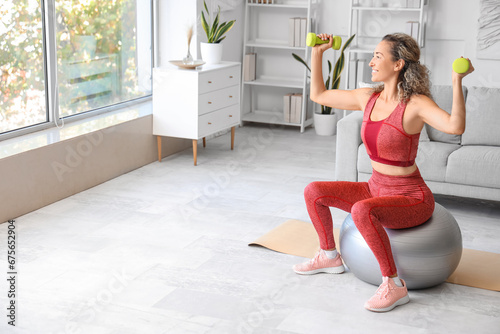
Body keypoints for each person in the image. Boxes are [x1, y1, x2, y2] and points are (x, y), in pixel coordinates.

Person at [293, 33, 474, 312]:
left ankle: (394, 285)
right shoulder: (368, 97)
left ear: (398, 63)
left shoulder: (416, 104)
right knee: (314, 191)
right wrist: (318, 53)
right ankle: (329, 255)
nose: (371, 63)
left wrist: (456, 80)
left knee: (362, 211)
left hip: (410, 197)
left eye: (378, 56)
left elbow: (455, 127)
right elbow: (319, 95)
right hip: (375, 187)